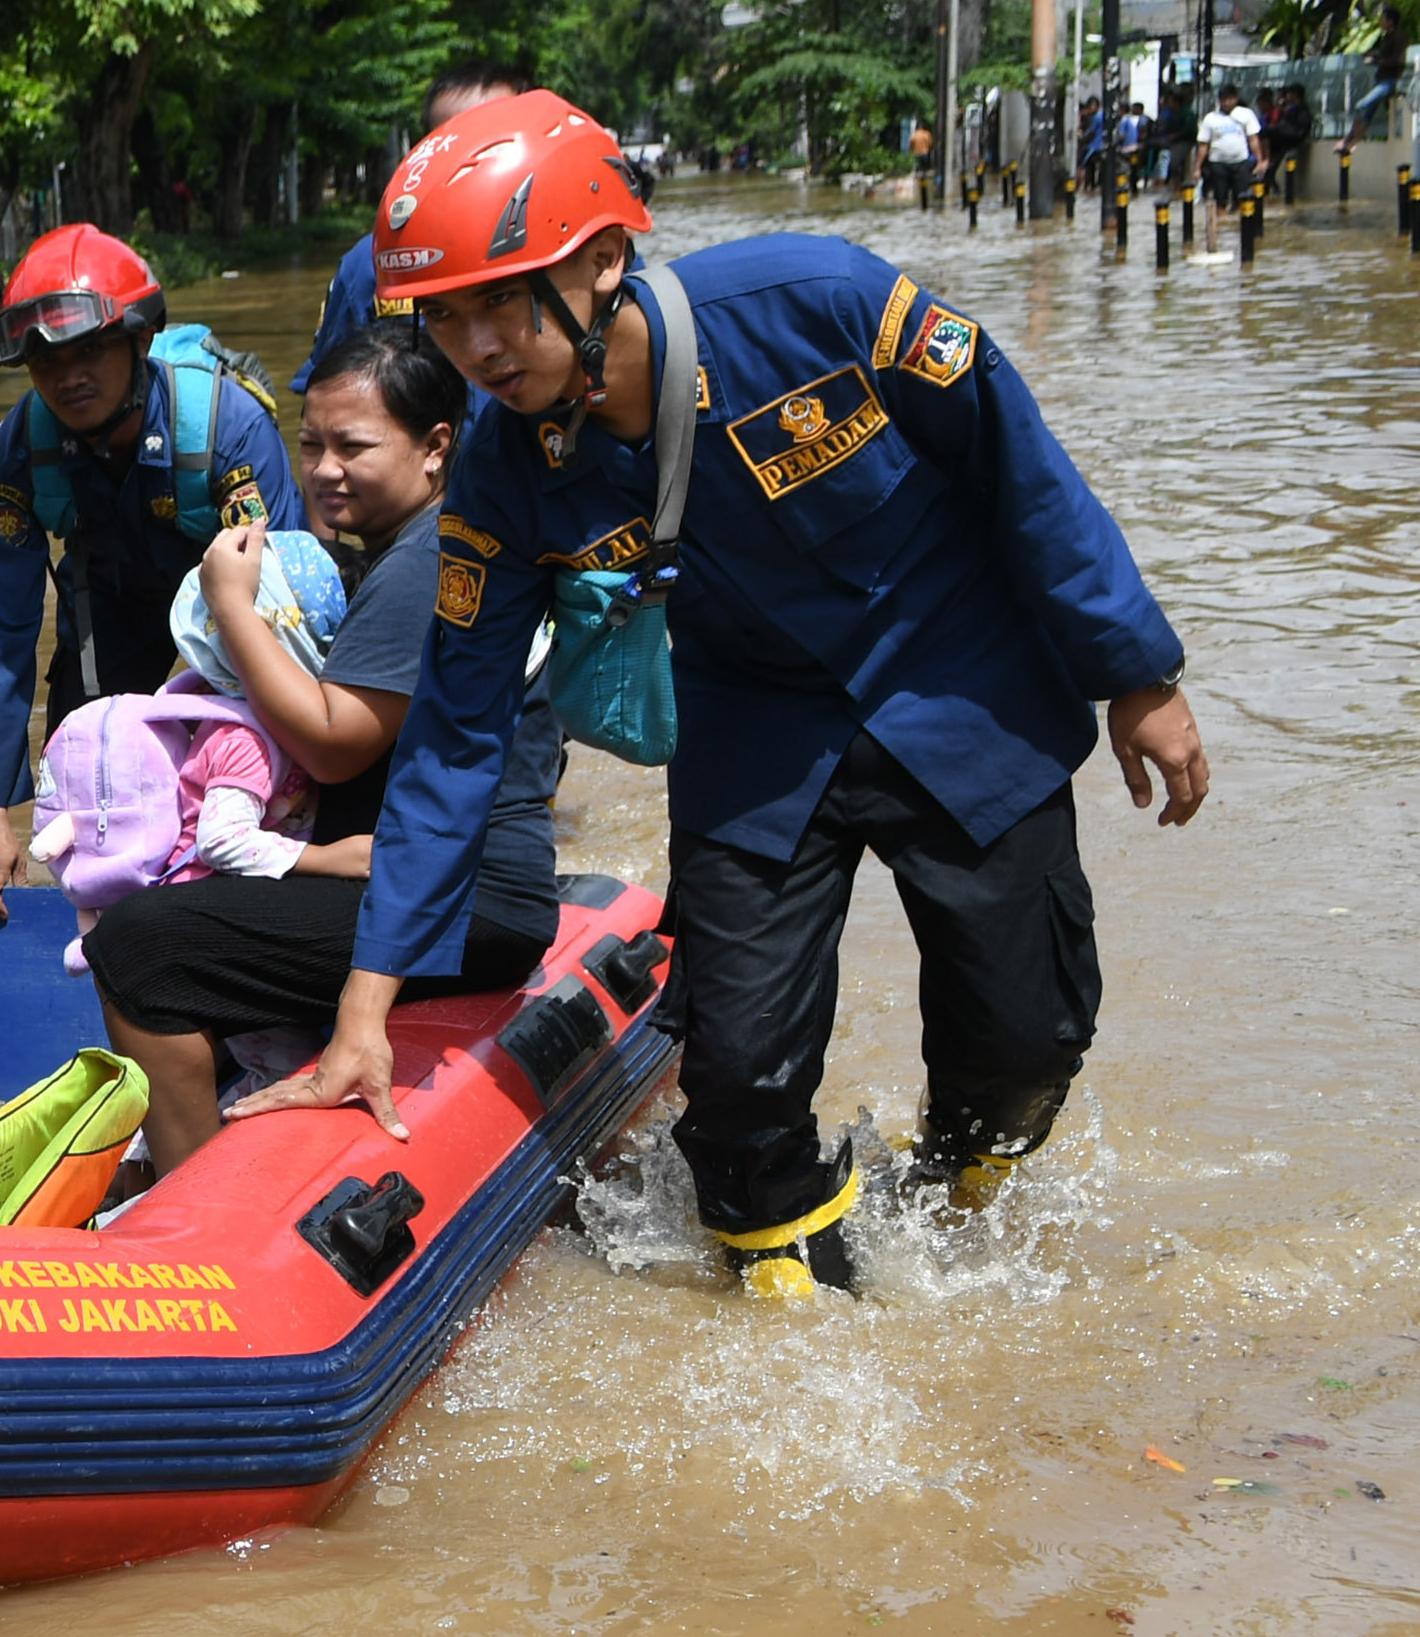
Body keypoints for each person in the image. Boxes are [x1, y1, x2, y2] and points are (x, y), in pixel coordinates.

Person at [242, 92, 1210, 1297]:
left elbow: (1025, 474)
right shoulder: (502, 468)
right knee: (741, 1083)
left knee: (1025, 1040)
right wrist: (366, 1007)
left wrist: (1137, 677)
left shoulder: (820, 305)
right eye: (444, 318)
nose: (476, 348)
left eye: (501, 300)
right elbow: (453, 735)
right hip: (754, 737)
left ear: (600, 265)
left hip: (953, 684)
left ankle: (959, 1188)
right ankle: (801, 1283)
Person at [82, 323, 566, 1172]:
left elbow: (337, 743)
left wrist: (229, 601)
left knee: (136, 947)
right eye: (309, 444)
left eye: (354, 446)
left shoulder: (425, 562)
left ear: (434, 448)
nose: (324, 469)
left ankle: (191, 1199)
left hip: (464, 897)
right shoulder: (426, 543)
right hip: (446, 879)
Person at [0, 223, 304, 910]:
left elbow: (289, 620)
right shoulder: (17, 455)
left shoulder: (227, 430)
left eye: (89, 351)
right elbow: (1, 637)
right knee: (88, 803)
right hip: (104, 613)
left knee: (249, 788)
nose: (68, 376)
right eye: (45, 360)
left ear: (140, 341)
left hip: (231, 624)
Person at [295, 61, 531, 391]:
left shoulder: (578, 251)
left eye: (491, 140)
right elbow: (330, 396)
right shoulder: (379, 262)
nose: (471, 160)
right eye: (450, 142)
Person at [1197, 86, 1264, 217]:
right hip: (1218, 163)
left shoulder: (1246, 114)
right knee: (1220, 199)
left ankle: (1237, 229)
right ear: (1219, 101)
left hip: (1240, 162)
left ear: (1236, 99)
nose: (1227, 103)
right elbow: (1203, 145)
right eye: (1224, 100)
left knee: (1241, 198)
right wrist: (1197, 168)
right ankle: (1221, 227)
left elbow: (1254, 140)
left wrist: (1260, 161)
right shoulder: (1210, 119)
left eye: (1230, 99)